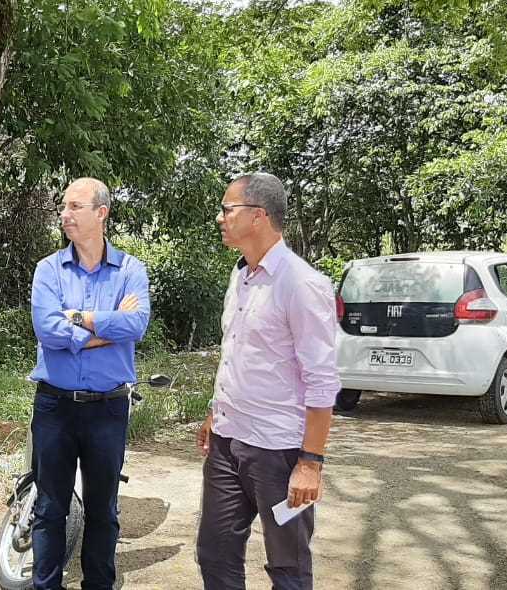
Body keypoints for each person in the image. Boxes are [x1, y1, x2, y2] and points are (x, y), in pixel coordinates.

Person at [195, 173, 340, 590]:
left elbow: (321, 378)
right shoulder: (239, 277)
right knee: (215, 554)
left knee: (288, 567)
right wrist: (213, 413)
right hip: (227, 443)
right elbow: (237, 353)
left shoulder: (301, 283)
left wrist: (310, 463)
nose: (221, 218)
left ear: (258, 216)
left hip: (279, 453)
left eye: (228, 210)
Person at [28, 177, 151, 590]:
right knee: (49, 508)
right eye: (63, 207)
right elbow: (47, 330)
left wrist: (76, 318)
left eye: (75, 207)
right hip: (54, 408)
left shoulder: (131, 269)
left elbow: (136, 324)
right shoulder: (48, 269)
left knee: (103, 510)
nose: (65, 215)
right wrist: (105, 328)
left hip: (108, 409)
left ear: (102, 213)